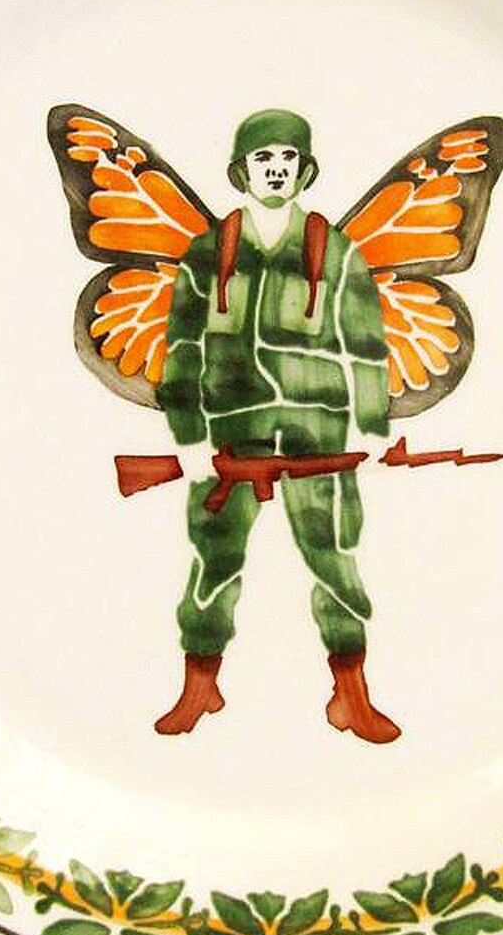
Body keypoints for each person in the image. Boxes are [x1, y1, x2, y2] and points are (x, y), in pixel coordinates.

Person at [155, 108, 401, 743]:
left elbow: (366, 346)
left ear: (304, 170)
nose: (275, 170)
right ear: (242, 170)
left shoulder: (336, 251)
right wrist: (188, 437)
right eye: (263, 159)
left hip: (319, 431)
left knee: (334, 560)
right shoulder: (207, 253)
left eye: (288, 158)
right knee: (214, 558)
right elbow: (182, 348)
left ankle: (352, 694)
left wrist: (372, 429)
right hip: (230, 431)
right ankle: (199, 684)